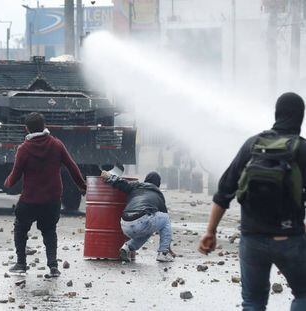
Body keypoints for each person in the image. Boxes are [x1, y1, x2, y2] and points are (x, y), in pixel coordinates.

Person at [198, 92, 306, 311]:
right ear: (301, 118)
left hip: (252, 238)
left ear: (276, 114)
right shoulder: (302, 149)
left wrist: (210, 232)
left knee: (253, 302)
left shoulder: (253, 145)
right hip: (288, 237)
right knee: (303, 294)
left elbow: (224, 192)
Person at [4, 112, 86, 275]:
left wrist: (7, 183)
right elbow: (72, 166)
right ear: (44, 126)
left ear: (26, 129)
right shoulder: (56, 144)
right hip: (52, 199)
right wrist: (81, 185)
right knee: (49, 230)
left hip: (29, 200)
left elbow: (15, 175)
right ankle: (53, 266)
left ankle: (21, 263)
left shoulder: (24, 149)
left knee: (20, 228)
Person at [101, 171, 175, 262]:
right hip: (142, 220)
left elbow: (121, 183)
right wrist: (167, 247)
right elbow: (164, 225)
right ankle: (163, 253)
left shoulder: (135, 186)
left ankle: (126, 247)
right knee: (166, 218)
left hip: (125, 223)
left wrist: (109, 177)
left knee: (147, 229)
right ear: (158, 184)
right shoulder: (159, 195)